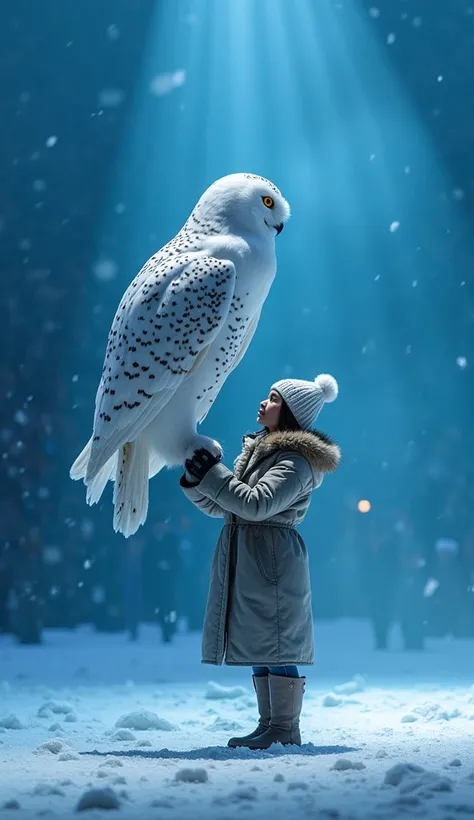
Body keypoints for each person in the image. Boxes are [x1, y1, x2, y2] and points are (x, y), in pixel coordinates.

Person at [180, 373, 341, 749]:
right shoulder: (262, 453)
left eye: (273, 399)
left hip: (271, 559)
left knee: (277, 641)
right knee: (260, 640)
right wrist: (196, 477)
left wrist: (214, 475)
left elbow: (256, 504)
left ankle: (284, 728)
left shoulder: (296, 461)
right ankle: (270, 724)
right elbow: (223, 503)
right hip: (249, 553)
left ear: (291, 412)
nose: (263, 403)